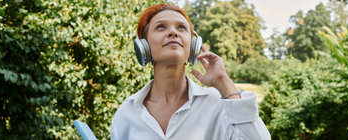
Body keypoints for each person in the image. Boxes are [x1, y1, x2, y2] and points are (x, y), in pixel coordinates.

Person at [111, 4, 270, 140]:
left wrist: (224, 82)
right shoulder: (126, 113)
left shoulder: (218, 105)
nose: (173, 33)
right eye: (161, 27)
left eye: (181, 27)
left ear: (193, 46)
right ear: (143, 47)